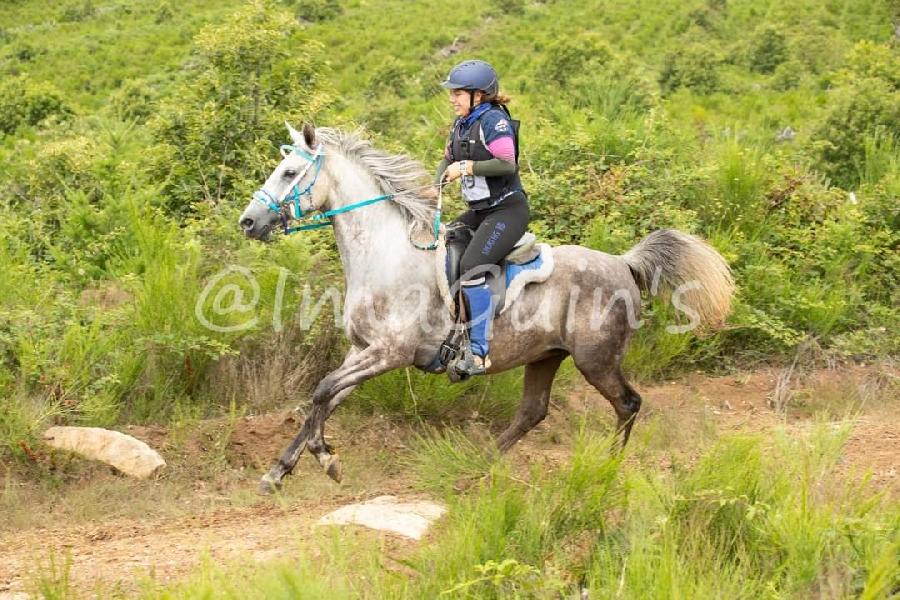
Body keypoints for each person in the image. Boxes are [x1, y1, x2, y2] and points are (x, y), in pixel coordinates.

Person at [435, 59, 530, 376]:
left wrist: (467, 168)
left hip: (507, 211)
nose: (452, 98)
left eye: (458, 93)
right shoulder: (461, 124)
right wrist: (433, 187)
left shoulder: (494, 123)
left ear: (478, 95)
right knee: (446, 243)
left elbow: (507, 164)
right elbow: (447, 159)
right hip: (480, 212)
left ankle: (478, 353)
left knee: (472, 265)